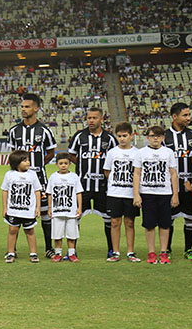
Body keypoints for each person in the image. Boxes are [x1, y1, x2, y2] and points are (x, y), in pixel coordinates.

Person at [7, 93, 57, 257]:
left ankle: (49, 248)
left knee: (44, 213)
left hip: (40, 179)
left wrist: (39, 164)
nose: (23, 109)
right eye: (22, 106)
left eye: (27, 107)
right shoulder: (14, 131)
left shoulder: (44, 131)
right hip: (18, 180)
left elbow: (51, 151)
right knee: (17, 211)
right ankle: (12, 249)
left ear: (36, 108)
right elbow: (13, 154)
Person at [68, 107, 117, 258]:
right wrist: (83, 168)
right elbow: (72, 154)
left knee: (108, 219)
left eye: (94, 118)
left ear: (101, 119)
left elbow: (115, 157)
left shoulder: (109, 139)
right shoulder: (79, 136)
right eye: (89, 118)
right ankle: (72, 250)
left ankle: (111, 249)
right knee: (75, 218)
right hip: (83, 187)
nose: (91, 120)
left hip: (103, 187)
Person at [133, 125, 179, 265]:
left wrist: (175, 194)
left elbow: (173, 173)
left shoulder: (168, 152)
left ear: (163, 138)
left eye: (158, 136)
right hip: (147, 193)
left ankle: (164, 252)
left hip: (164, 193)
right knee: (149, 225)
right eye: (153, 136)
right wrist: (136, 194)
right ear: (147, 137)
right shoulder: (141, 153)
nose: (155, 138)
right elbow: (136, 173)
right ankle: (151, 252)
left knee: (165, 225)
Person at [164, 102, 192, 259]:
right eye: (185, 115)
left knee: (190, 218)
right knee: (169, 219)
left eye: (189, 114)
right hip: (168, 186)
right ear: (174, 117)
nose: (189, 118)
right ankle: (167, 249)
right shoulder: (164, 136)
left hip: (190, 185)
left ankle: (188, 249)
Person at [103, 122, 141, 263]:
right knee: (115, 222)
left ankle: (130, 252)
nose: (122, 139)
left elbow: (139, 173)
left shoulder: (137, 153)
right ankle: (116, 252)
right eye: (119, 136)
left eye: (125, 136)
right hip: (114, 193)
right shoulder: (112, 152)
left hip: (131, 193)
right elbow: (107, 171)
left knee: (129, 222)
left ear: (131, 135)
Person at [1, 150, 42, 263]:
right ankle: (10, 253)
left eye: (28, 160)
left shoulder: (32, 174)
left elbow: (37, 191)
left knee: (30, 231)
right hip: (13, 210)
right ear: (16, 162)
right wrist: (5, 208)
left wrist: (38, 208)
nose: (28, 162)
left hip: (28, 210)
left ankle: (33, 254)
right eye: (25, 160)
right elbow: (5, 191)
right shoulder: (9, 175)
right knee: (12, 230)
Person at [46, 153, 83, 263]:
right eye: (61, 163)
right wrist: (49, 208)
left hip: (71, 211)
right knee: (57, 234)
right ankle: (58, 254)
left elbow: (78, 193)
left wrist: (80, 207)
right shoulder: (53, 177)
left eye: (66, 163)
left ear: (70, 164)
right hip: (57, 211)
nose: (63, 166)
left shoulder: (74, 177)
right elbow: (50, 193)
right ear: (56, 164)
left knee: (71, 234)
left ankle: (71, 254)